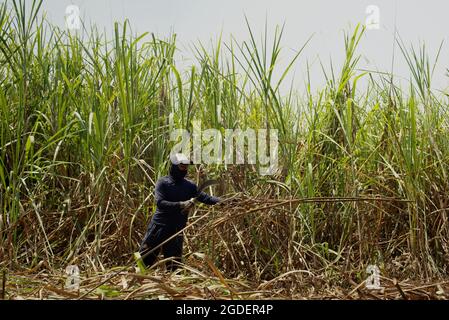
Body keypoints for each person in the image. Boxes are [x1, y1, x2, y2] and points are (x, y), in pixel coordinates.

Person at [139, 153, 220, 271]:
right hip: (159, 227)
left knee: (174, 267)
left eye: (186, 166)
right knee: (144, 261)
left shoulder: (190, 186)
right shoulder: (163, 183)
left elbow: (206, 198)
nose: (185, 169)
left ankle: (170, 288)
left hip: (176, 230)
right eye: (182, 166)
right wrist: (181, 205)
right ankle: (137, 285)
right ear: (174, 166)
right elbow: (160, 203)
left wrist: (226, 201)